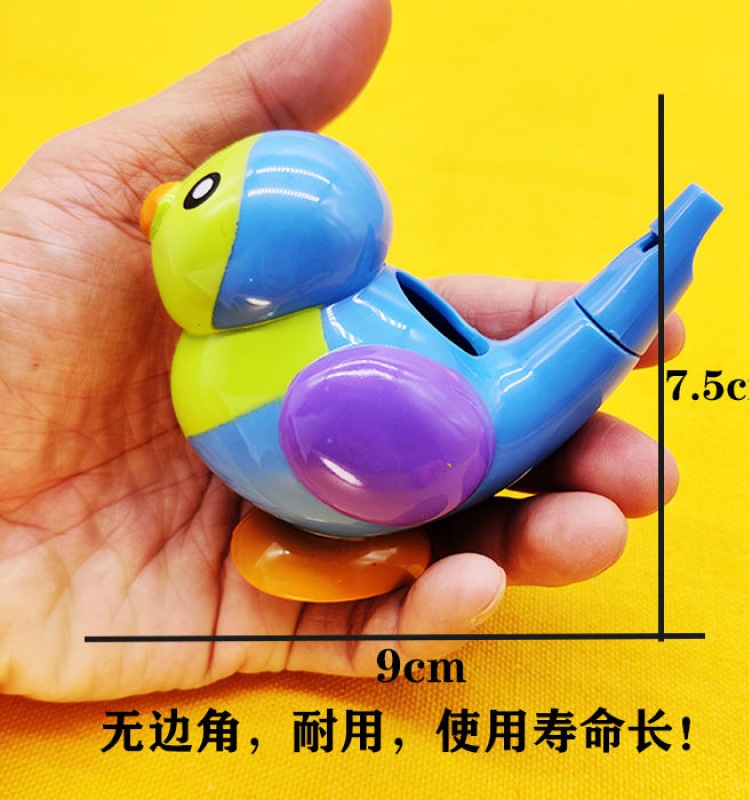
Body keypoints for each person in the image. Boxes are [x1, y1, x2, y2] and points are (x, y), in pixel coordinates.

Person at [0, 0, 682, 701]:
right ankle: (337, 543)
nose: (161, 202)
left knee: (352, 438)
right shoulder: (308, 314)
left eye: (198, 194)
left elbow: (446, 428)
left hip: (446, 440)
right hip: (387, 461)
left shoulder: (322, 365)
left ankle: (345, 541)